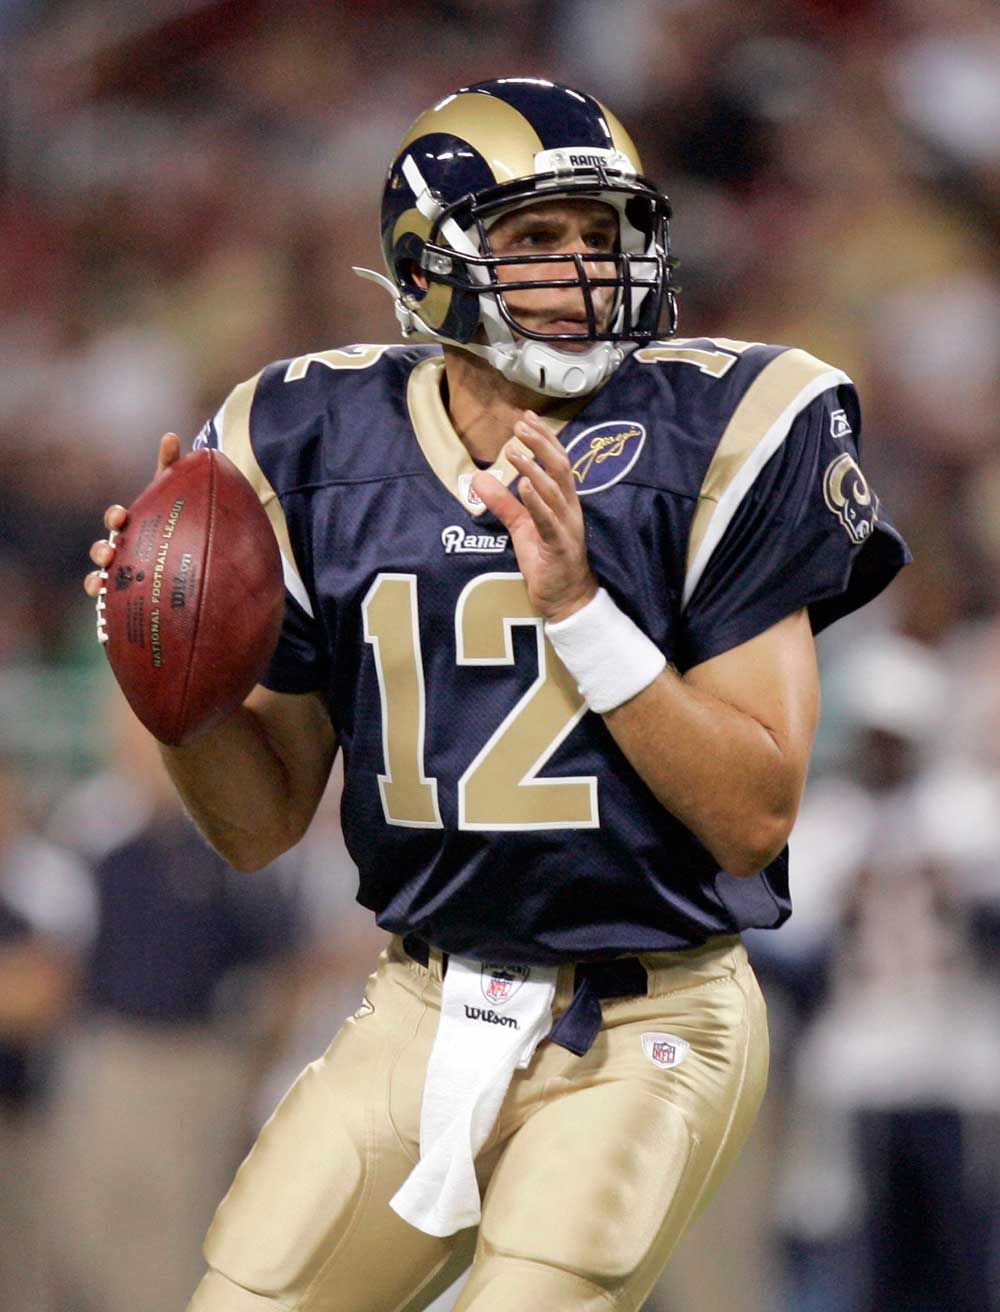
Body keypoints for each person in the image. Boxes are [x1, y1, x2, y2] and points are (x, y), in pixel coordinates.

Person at [84, 77, 910, 1312]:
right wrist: (173, 678)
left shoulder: (726, 427)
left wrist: (582, 610)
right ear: (429, 264)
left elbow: (752, 814)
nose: (584, 270)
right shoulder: (311, 441)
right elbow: (256, 826)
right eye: (535, 239)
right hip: (424, 997)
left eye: (599, 233)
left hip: (649, 1015)